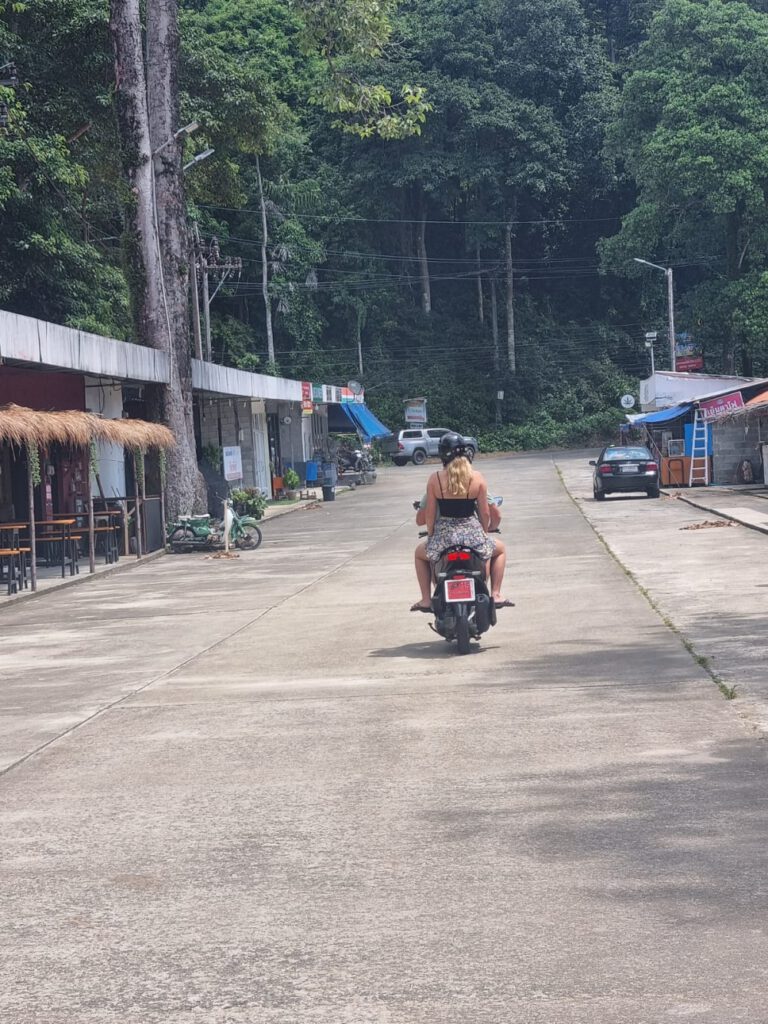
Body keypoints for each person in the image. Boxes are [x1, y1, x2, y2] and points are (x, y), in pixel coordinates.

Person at [411, 433, 509, 612]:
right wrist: (484, 533)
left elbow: (430, 515)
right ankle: (495, 593)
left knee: (419, 554)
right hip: (473, 536)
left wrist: (432, 535)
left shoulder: (436, 479)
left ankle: (426, 599)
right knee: (500, 549)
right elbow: (485, 513)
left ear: (442, 455)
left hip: (444, 537)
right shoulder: (477, 477)